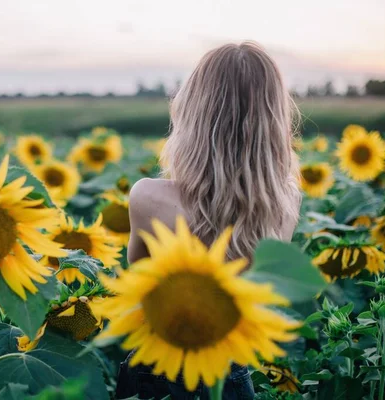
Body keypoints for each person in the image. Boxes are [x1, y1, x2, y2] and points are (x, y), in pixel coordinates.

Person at [116, 42, 302, 399]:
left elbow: (139, 274)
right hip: (230, 374)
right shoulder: (286, 200)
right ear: (275, 119)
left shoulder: (147, 197)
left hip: (158, 368)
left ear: (191, 111)